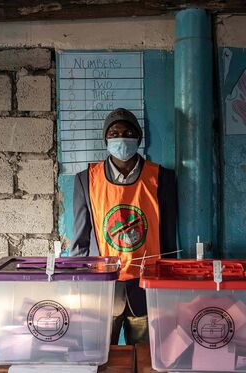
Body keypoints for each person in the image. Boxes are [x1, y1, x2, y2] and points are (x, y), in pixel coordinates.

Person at [69, 107, 177, 345]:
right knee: (99, 354)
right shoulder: (86, 179)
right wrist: (78, 285)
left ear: (138, 138)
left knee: (145, 356)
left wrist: (168, 284)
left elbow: (169, 238)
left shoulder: (161, 178)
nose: (121, 138)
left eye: (128, 132)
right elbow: (80, 241)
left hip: (146, 285)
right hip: (103, 286)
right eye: (114, 133)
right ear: (106, 139)